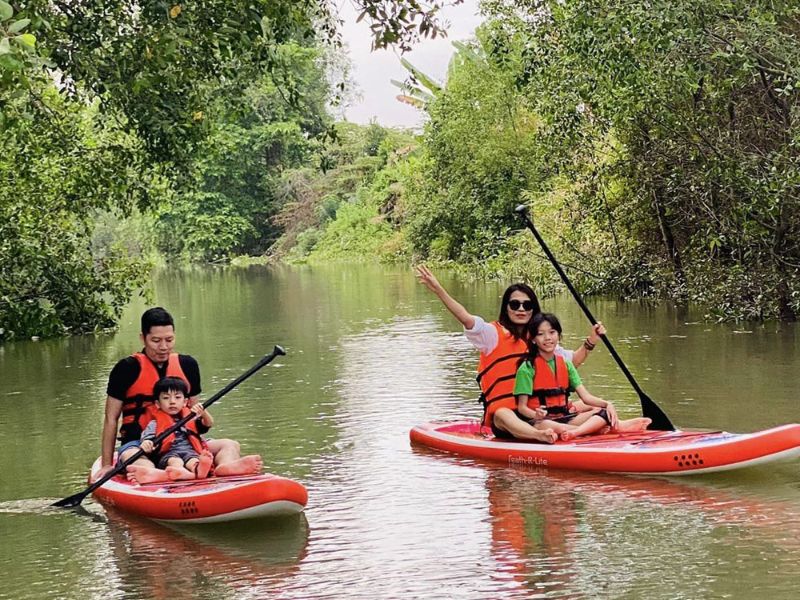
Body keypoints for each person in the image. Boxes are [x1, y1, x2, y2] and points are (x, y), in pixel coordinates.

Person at [415, 265, 604, 442]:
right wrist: (438, 289)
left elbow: (571, 363)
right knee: (502, 412)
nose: (521, 309)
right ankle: (540, 436)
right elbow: (465, 317)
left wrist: (591, 341)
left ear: (533, 309)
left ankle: (588, 429)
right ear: (506, 307)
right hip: (508, 418)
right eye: (515, 304)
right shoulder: (492, 335)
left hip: (536, 413)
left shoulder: (540, 338)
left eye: (526, 305)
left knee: (595, 407)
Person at [94, 307, 263, 482]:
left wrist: (199, 431)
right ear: (142, 338)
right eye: (156, 340)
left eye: (169, 339)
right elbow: (110, 418)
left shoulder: (187, 365)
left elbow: (194, 413)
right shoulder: (126, 368)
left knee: (230, 445)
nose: (163, 347)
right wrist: (107, 464)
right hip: (141, 444)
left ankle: (224, 468)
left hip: (183, 441)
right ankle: (156, 474)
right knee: (135, 458)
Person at [515, 313, 651, 441]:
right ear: (533, 339)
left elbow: (586, 397)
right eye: (540, 334)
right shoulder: (527, 368)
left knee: (603, 413)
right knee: (548, 426)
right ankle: (597, 429)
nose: (548, 338)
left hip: (565, 417)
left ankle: (577, 432)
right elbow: (522, 408)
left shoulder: (565, 364)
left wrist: (608, 404)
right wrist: (536, 415)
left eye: (552, 332)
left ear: (558, 335)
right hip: (541, 422)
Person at [126, 377, 215, 484]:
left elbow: (208, 423)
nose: (172, 402)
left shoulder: (190, 418)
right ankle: (181, 472)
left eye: (177, 397)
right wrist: (146, 443)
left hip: (190, 452)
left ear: (185, 402)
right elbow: (147, 440)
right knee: (175, 461)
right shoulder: (154, 424)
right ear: (158, 404)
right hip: (168, 454)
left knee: (194, 460)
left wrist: (203, 412)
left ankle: (198, 470)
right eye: (166, 398)